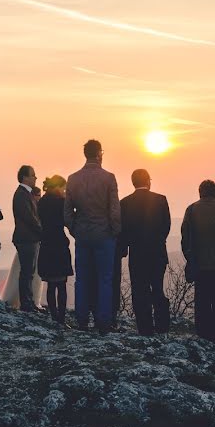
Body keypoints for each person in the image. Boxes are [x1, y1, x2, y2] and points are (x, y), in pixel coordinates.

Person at [64, 139, 121, 334]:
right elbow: (114, 210)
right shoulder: (109, 178)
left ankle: (81, 320)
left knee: (82, 278)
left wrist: (75, 229)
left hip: (83, 235)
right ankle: (103, 322)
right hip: (104, 235)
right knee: (105, 279)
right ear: (99, 154)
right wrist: (115, 231)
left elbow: (67, 212)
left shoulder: (72, 179)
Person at [181, 180, 215, 346]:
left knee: (202, 300)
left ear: (200, 192)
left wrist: (190, 258)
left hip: (200, 264)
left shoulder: (191, 210)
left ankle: (203, 335)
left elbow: (186, 236)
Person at [119, 169, 171, 336]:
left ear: (133, 182)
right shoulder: (161, 200)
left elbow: (123, 230)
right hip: (157, 252)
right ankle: (162, 325)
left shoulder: (125, 203)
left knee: (139, 290)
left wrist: (125, 247)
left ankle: (144, 327)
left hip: (137, 253)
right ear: (148, 180)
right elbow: (166, 226)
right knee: (157, 288)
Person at [37, 175, 73, 325]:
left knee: (51, 284)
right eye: (63, 188)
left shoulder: (42, 202)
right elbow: (67, 220)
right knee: (61, 284)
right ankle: (61, 318)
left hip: (46, 243)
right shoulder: (61, 202)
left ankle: (53, 315)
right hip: (58, 243)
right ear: (58, 187)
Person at [12, 165, 43, 312]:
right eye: (33, 175)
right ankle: (26, 303)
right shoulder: (21, 194)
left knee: (29, 271)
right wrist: (41, 230)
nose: (35, 178)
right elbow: (29, 217)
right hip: (27, 238)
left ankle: (28, 301)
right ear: (25, 177)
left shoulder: (25, 194)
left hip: (30, 237)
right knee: (27, 272)